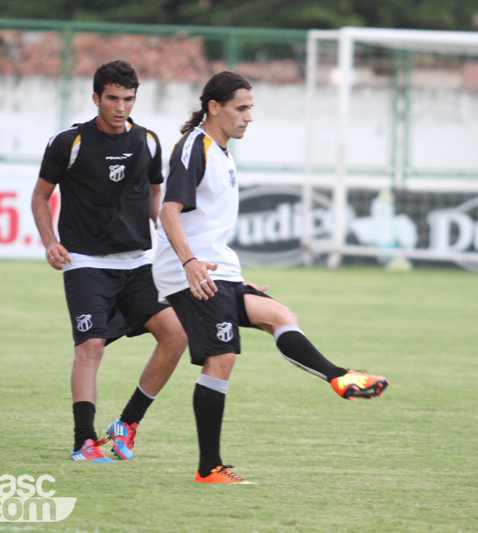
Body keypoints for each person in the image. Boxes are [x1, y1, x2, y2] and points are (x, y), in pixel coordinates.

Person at [152, 71, 389, 484]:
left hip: (216, 267)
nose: (249, 117)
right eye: (241, 108)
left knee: (279, 314)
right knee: (221, 358)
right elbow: (168, 211)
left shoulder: (221, 152)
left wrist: (233, 278)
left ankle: (339, 377)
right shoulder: (194, 148)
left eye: (251, 109)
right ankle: (209, 469)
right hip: (190, 269)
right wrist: (190, 264)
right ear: (215, 107)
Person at [31, 60, 187, 463]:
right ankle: (84, 441)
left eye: (129, 99)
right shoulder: (69, 142)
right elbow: (39, 196)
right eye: (113, 99)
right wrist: (50, 242)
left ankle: (127, 423)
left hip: (137, 264)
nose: (121, 108)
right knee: (91, 346)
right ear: (96, 98)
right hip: (85, 262)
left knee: (176, 336)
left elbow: (156, 192)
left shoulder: (148, 141)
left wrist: (161, 233)